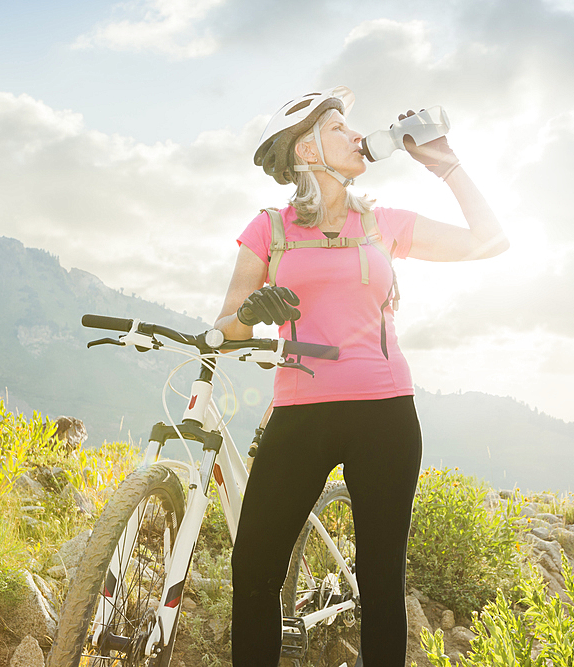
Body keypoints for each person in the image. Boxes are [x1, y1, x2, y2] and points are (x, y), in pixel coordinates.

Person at [213, 85, 508, 667]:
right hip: (298, 413)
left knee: (380, 579)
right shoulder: (268, 229)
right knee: (252, 572)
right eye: (338, 126)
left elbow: (490, 242)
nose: (356, 135)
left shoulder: (385, 223)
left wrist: (447, 165)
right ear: (303, 150)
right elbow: (223, 328)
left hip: (384, 414)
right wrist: (249, 315)